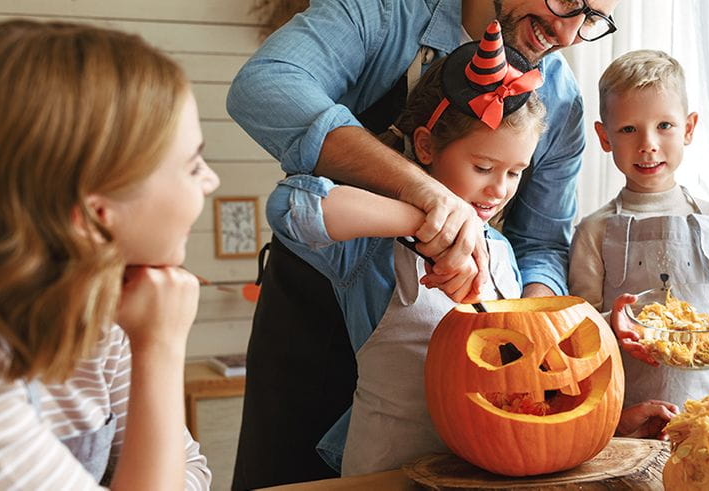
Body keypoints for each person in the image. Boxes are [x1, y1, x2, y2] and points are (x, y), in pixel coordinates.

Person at [226, 1, 620, 487]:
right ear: (427, 142)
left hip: (466, 376)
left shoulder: (559, 95)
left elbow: (540, 243)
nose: (567, 31)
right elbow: (263, 88)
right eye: (565, 0)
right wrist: (427, 199)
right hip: (313, 316)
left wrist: (532, 342)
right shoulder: (385, 13)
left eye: (593, 19)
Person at [265, 22, 545, 475]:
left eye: (515, 173)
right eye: (484, 167)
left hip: (476, 473)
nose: (498, 189)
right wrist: (425, 219)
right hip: (383, 474)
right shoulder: (374, 251)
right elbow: (290, 207)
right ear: (426, 146)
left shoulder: (503, 255)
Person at [0, 20, 219, 489]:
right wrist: (160, 347)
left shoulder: (107, 317)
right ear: (95, 216)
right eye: (193, 164)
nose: (210, 181)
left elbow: (192, 475)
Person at [569, 50, 709, 409]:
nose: (648, 143)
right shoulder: (593, 231)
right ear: (605, 138)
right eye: (628, 129)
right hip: (626, 420)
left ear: (689, 128)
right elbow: (580, 334)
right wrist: (613, 322)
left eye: (664, 126)